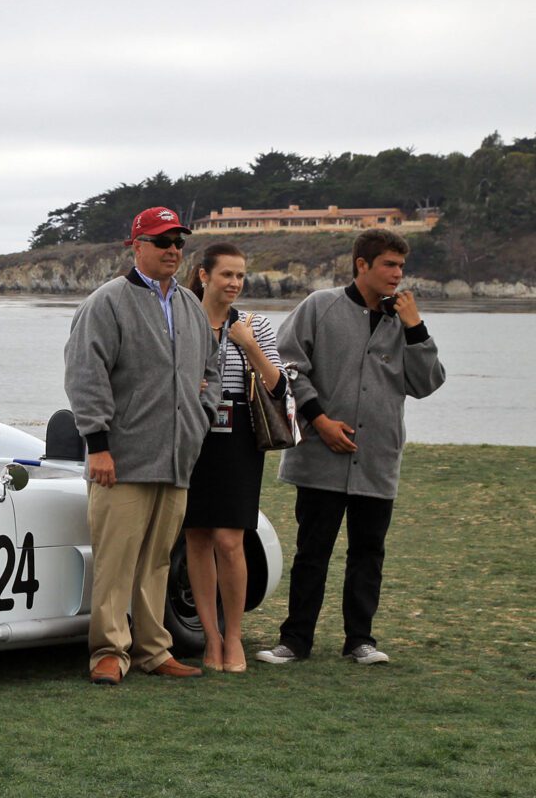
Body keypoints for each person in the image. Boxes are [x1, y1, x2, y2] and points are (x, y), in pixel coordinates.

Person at [257, 228, 445, 667]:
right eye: (389, 265)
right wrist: (319, 420)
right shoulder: (320, 307)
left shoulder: (405, 323)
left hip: (377, 459)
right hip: (321, 458)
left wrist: (417, 328)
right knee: (312, 553)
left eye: (401, 266)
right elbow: (287, 366)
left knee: (368, 553)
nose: (397, 275)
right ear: (362, 264)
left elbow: (427, 383)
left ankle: (360, 640)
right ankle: (295, 641)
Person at [64, 206, 219, 685]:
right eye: (162, 241)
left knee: (155, 561)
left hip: (176, 458)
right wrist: (99, 445)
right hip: (123, 459)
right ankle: (109, 651)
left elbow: (210, 373)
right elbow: (85, 375)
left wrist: (201, 416)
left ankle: (154, 649)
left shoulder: (192, 307)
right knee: (115, 560)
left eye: (178, 242)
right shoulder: (107, 302)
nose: (173, 250)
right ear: (137, 246)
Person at [183, 243, 283, 674]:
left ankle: (235, 636)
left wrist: (249, 346)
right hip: (192, 436)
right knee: (197, 539)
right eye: (227, 274)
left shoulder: (255, 324)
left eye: (241, 276)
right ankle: (211, 637)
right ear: (203, 275)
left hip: (239, 438)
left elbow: (278, 386)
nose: (235, 283)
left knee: (230, 539)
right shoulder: (182, 321)